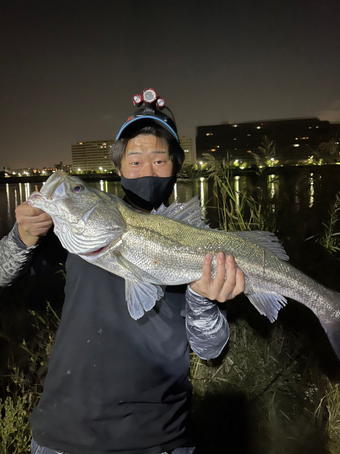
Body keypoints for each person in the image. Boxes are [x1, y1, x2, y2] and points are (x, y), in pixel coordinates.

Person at [0, 89, 245, 454]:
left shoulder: (199, 243)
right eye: (135, 161)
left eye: (160, 160)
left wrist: (204, 300)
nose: (147, 170)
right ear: (118, 170)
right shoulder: (78, 228)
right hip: (65, 434)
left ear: (176, 166)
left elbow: (209, 349)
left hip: (160, 438)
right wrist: (22, 236)